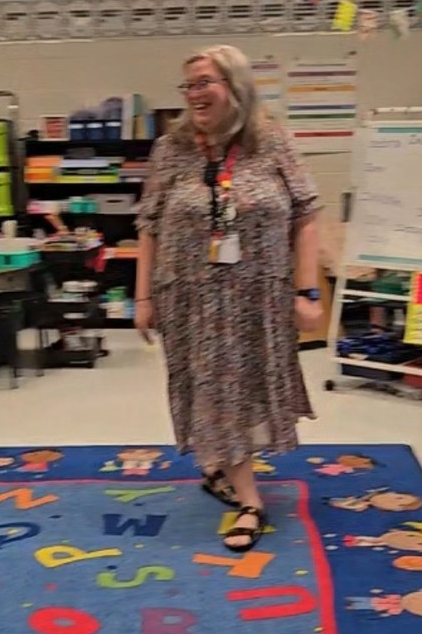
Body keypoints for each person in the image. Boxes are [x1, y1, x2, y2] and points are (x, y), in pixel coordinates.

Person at [135, 45, 322, 552]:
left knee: (250, 391)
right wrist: (142, 299)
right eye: (188, 85)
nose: (194, 94)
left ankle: (219, 465)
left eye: (205, 83)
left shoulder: (272, 141)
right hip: (191, 300)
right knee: (215, 393)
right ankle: (250, 501)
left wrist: (307, 290)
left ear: (235, 87)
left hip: (258, 297)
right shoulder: (170, 151)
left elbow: (306, 214)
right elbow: (148, 226)